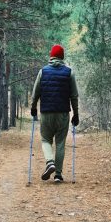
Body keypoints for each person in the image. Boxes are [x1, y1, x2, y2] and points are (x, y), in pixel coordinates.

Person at [31, 44, 79, 183]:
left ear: (51, 56)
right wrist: (76, 114)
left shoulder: (43, 71)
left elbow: (35, 93)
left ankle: (49, 162)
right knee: (60, 143)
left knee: (46, 139)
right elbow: (74, 96)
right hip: (63, 113)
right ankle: (58, 174)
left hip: (46, 112)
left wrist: (33, 108)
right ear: (62, 57)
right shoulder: (69, 72)